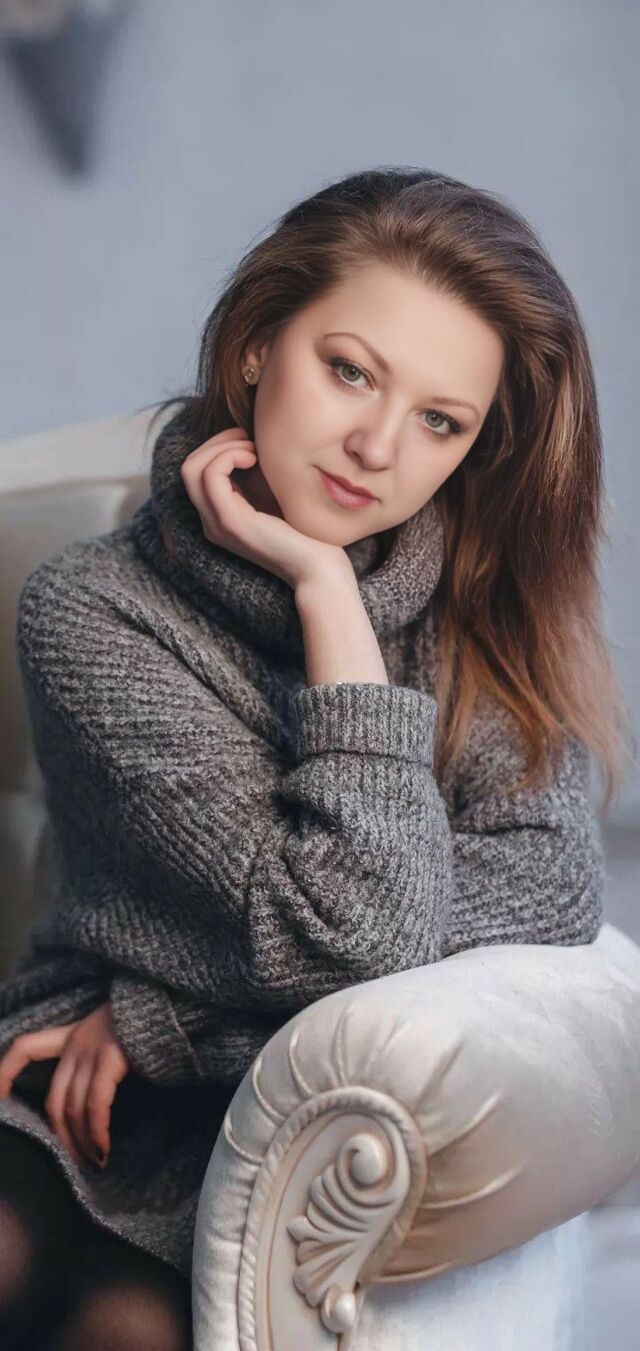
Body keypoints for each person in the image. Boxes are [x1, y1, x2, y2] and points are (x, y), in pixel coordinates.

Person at [0, 165, 633, 1350]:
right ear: (256, 347)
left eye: (439, 420)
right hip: (82, 1101)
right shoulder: (94, 608)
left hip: (286, 1115)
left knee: (128, 1329)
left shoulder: (487, 619)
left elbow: (474, 908)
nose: (375, 445)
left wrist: (326, 595)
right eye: (350, 370)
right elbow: (351, 935)